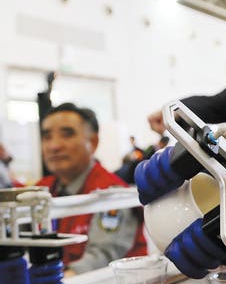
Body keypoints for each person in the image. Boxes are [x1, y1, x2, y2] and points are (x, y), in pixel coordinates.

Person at [36, 103, 147, 274]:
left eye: (67, 135)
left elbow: (102, 257)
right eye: (47, 136)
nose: (54, 146)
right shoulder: (41, 190)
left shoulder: (111, 193)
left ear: (93, 142)